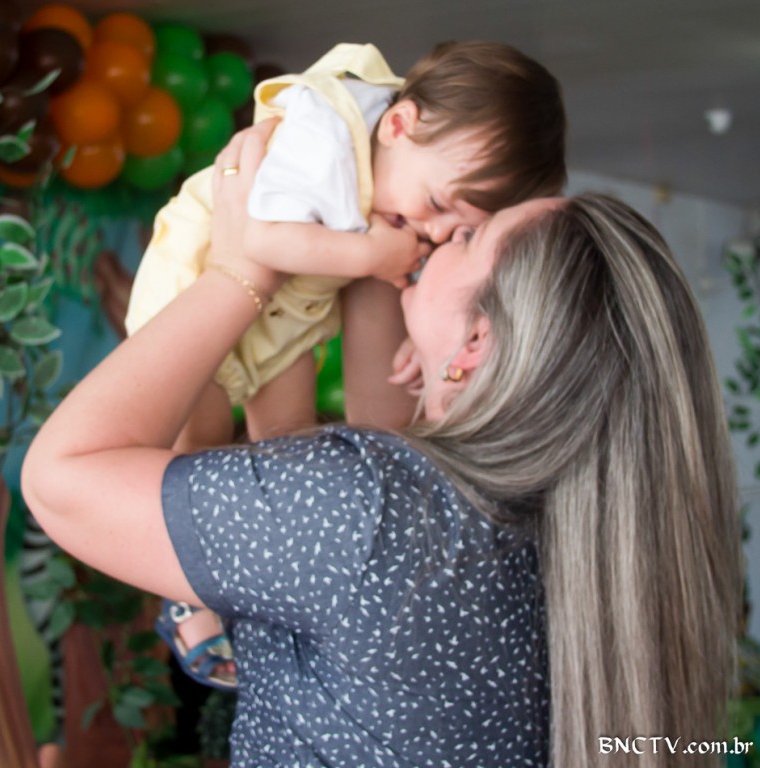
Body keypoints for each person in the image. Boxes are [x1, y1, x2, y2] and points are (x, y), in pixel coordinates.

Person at [21, 122, 741, 768]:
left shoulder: (372, 512)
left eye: (468, 238)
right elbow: (377, 402)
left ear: (476, 341)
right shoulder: (588, 542)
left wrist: (240, 272)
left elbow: (62, 478)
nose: (441, 236)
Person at [125, 39, 567, 687]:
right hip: (195, 291)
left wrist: (418, 327)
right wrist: (376, 262)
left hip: (282, 325)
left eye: (460, 232)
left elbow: (406, 277)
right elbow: (256, 239)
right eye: (440, 209)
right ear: (398, 125)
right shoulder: (327, 132)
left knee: (286, 455)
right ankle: (189, 596)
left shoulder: (407, 181)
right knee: (199, 457)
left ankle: (249, 599)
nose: (431, 233)